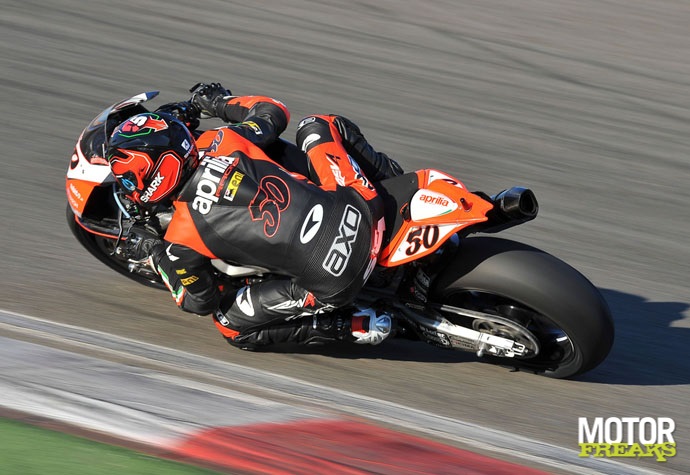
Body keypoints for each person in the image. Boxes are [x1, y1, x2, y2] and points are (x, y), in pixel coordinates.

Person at [107, 83, 404, 350]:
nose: (127, 185)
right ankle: (394, 185)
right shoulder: (225, 139)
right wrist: (216, 103)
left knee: (228, 322)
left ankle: (356, 326)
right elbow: (273, 110)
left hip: (337, 281)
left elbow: (197, 301)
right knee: (317, 125)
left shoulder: (180, 239)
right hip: (366, 208)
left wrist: (154, 251)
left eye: (129, 179)